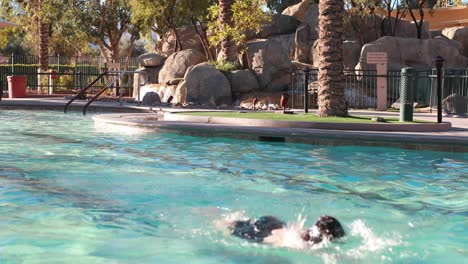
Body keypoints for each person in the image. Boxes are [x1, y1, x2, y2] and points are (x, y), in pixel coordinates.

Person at [229, 215, 345, 245]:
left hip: (275, 223)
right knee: (229, 228)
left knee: (231, 223)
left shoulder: (305, 236)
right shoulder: (300, 245)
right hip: (266, 231)